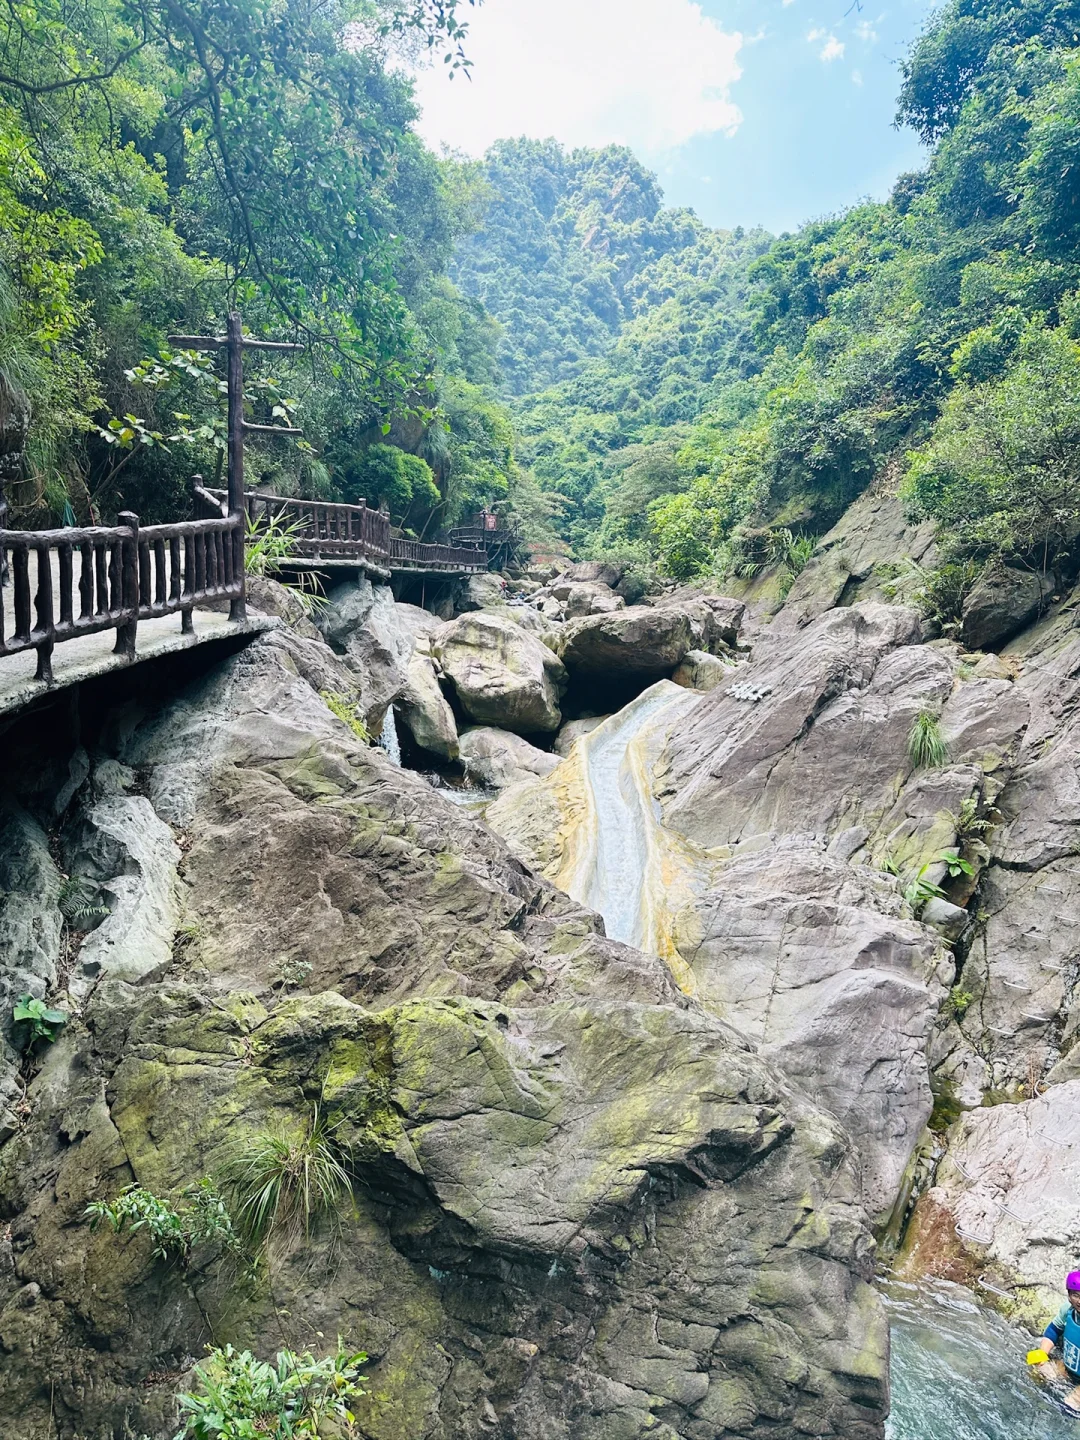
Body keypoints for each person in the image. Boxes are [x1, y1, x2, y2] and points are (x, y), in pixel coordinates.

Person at [1032, 1272, 1080, 1417]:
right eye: (1076, 1295)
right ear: (1069, 1296)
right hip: (1070, 1366)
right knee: (1037, 1370)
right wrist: (1041, 1356)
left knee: (1070, 1405)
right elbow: (1053, 1330)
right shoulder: (1068, 1310)